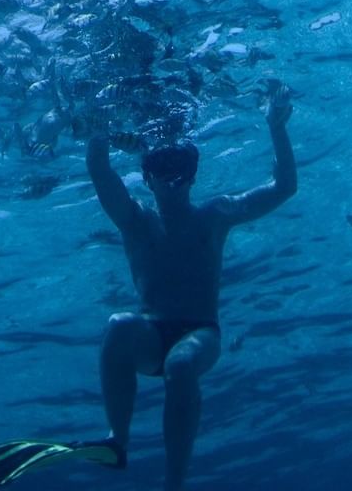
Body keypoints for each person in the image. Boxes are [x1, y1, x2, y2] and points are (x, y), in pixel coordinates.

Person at [88, 84, 298, 490]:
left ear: (194, 176)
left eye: (182, 170)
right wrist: (97, 128)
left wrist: (276, 127)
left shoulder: (214, 215)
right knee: (117, 325)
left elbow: (283, 188)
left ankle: (174, 484)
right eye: (164, 171)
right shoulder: (136, 221)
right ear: (147, 178)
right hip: (150, 333)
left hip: (201, 332)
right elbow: (101, 172)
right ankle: (117, 441)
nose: (174, 180)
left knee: (181, 365)